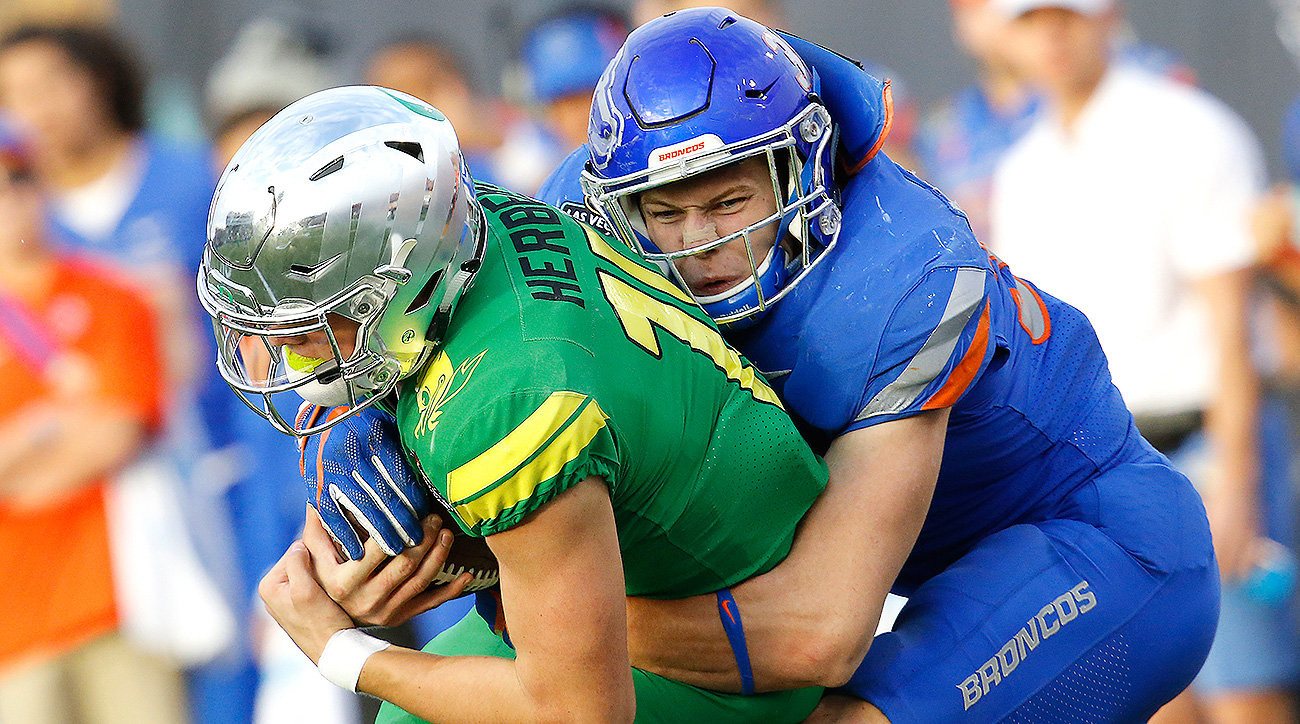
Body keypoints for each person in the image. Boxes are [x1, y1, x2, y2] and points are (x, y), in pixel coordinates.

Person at [515, 8, 1215, 723]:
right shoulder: (585, 214)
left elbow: (817, 636)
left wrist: (552, 608)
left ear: (804, 167)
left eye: (728, 202)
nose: (697, 245)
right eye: (664, 213)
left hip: (1102, 545)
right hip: (907, 573)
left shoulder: (902, 278)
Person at [199, 84, 833, 724]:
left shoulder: (508, 407)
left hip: (728, 654)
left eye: (306, 325)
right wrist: (359, 418)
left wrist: (342, 653)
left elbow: (580, 713)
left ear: (399, 288)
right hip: (679, 550)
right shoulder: (476, 225)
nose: (284, 351)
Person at [986, 1, 1299, 723]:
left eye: (1067, 15)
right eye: (1034, 20)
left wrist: (1239, 484)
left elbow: (1231, 330)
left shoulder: (1190, 132)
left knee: (1247, 694)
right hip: (1095, 477)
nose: (1053, 35)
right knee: (1153, 701)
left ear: (1107, 17)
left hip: (1201, 457)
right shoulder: (1022, 166)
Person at [0, 117, 187, 724]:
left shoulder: (112, 297)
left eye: (17, 177)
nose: (7, 197)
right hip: (12, 631)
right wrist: (49, 427)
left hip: (124, 607)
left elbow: (118, 431)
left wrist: (24, 452)